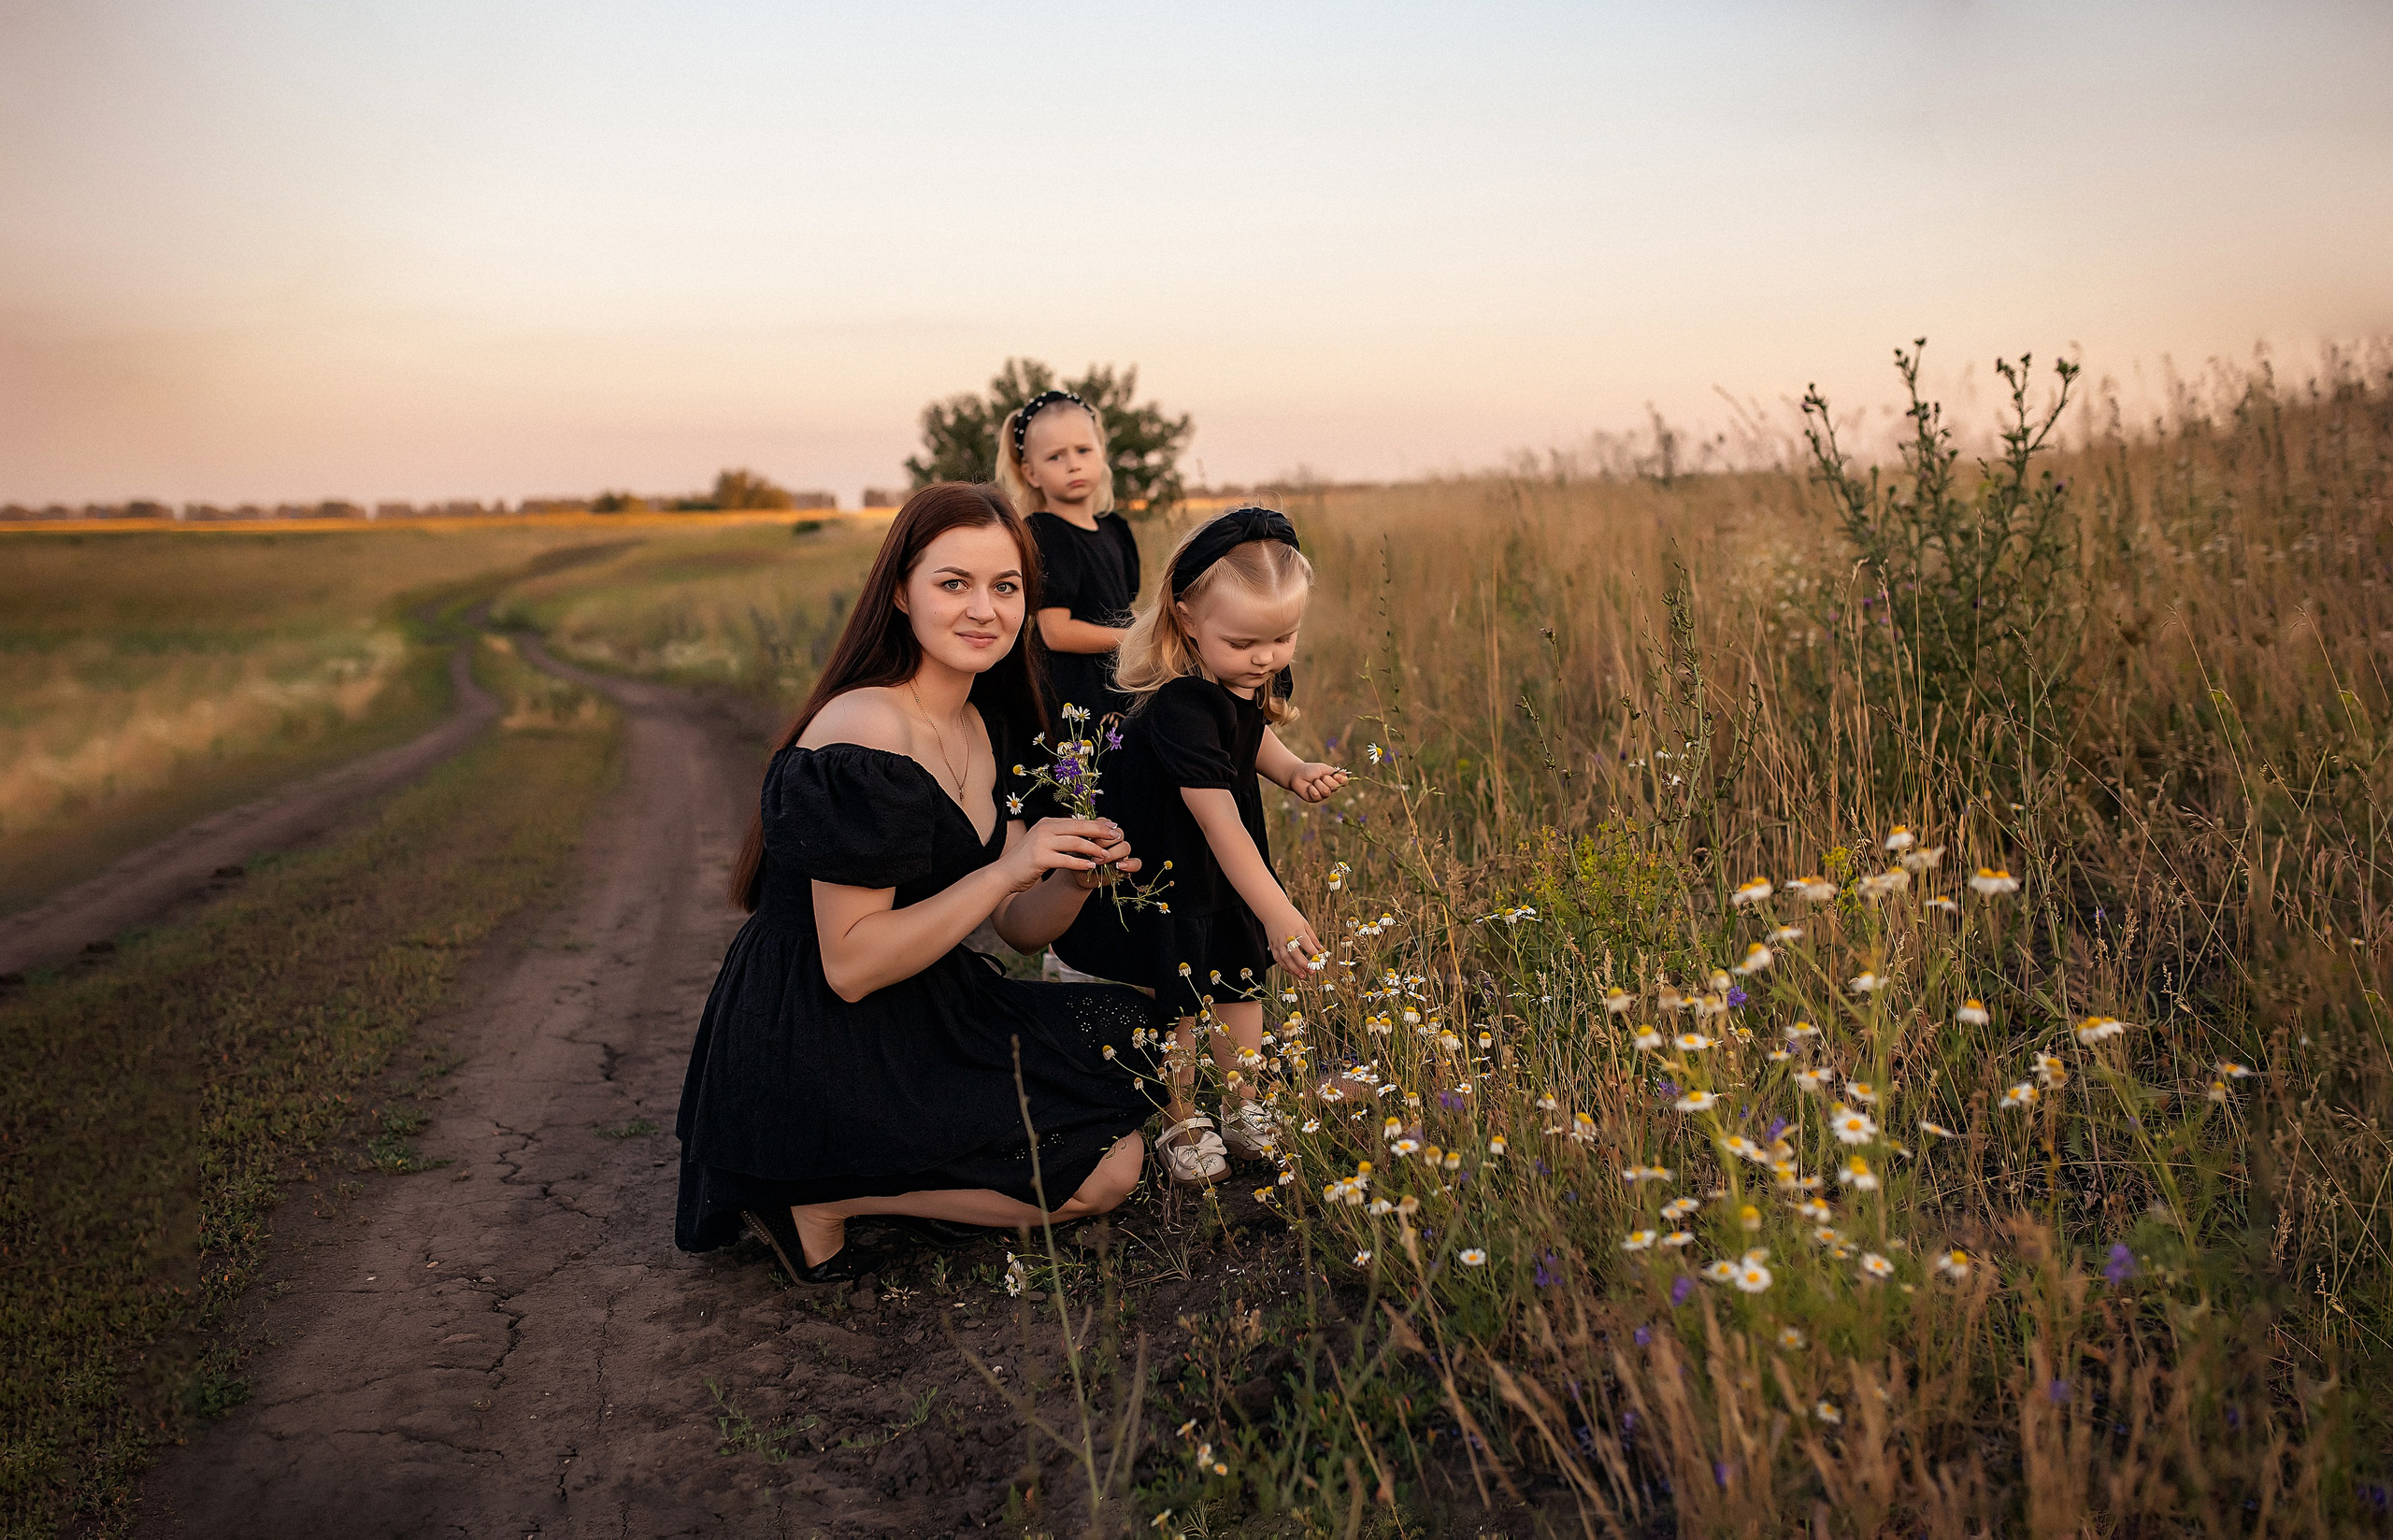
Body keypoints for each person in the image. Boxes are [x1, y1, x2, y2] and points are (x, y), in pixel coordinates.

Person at [676, 482, 1163, 1283]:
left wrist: (1070, 875)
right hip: (820, 1032)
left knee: (1134, 1037)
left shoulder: (986, 722)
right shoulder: (866, 730)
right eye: (953, 584)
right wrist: (1012, 863)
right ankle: (822, 1197)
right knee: (1109, 1172)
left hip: (923, 998)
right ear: (900, 592)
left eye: (1006, 588)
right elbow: (852, 964)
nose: (984, 609)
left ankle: (873, 1174)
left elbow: (1015, 925)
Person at [1051, 506, 1348, 1187]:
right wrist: (1276, 910)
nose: (1267, 658)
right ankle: (1181, 1116)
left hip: (1221, 867)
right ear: (1185, 618)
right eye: (1246, 642)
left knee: (1239, 980)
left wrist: (1294, 768)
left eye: (1284, 637)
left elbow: (1248, 733)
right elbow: (1216, 819)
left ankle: (1243, 1103)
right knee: (1178, 994)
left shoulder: (1232, 673)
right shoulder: (1178, 701)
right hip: (1173, 867)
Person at [996, 389, 1142, 735]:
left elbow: (1125, 609)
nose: (1073, 463)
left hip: (1119, 685)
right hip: (1074, 698)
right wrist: (1135, 638)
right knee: (1083, 784)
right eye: (1055, 457)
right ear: (1031, 474)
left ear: (1100, 453)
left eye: (1083, 450)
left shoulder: (1115, 529)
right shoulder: (1046, 533)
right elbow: (1056, 633)